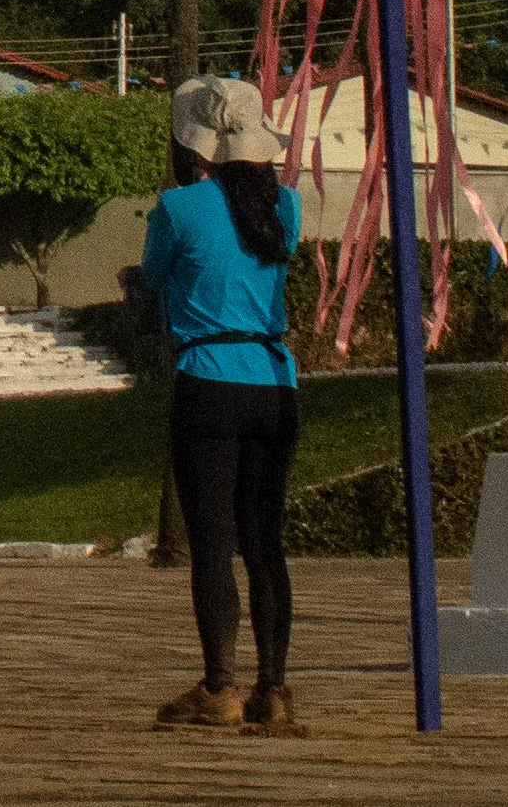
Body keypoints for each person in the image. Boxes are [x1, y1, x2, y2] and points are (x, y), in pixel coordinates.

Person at [146, 73, 304, 737]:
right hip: (274, 378)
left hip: (207, 374)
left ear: (194, 143)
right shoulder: (286, 206)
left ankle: (220, 685)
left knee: (213, 541)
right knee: (266, 539)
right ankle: (275, 686)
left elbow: (157, 277)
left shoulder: (178, 208)